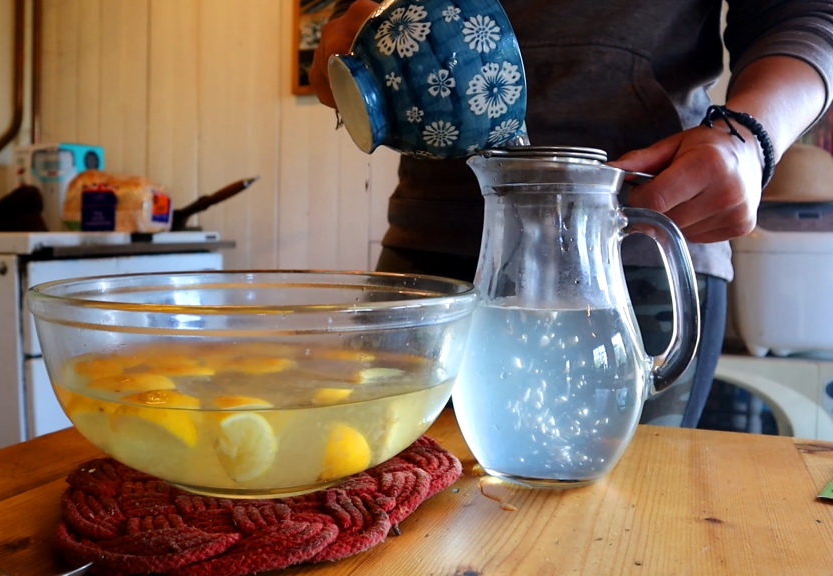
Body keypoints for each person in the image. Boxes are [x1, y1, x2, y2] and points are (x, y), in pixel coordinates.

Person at [311, 0, 833, 427]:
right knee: (393, 496)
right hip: (427, 257)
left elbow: (805, 13)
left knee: (621, 511)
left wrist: (749, 138)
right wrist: (355, 30)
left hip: (630, 260)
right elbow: (357, 14)